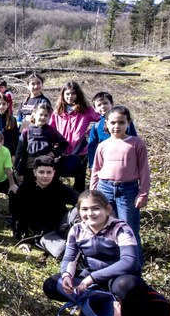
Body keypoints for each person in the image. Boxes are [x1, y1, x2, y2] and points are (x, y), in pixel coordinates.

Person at [42, 190, 147, 316]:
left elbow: (130, 262)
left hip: (118, 277)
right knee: (51, 285)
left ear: (108, 209)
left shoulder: (121, 228)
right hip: (90, 277)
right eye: (84, 209)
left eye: (96, 208)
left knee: (126, 286)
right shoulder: (77, 229)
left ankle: (118, 313)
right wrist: (67, 275)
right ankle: (103, 303)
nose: (90, 213)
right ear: (78, 211)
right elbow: (69, 257)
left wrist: (91, 278)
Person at [90, 106, 150, 262]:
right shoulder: (103, 145)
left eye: (121, 122)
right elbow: (96, 170)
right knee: (105, 224)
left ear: (128, 123)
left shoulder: (136, 144)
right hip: (105, 189)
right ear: (107, 124)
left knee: (128, 227)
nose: (117, 126)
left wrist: (143, 193)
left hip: (128, 190)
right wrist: (93, 193)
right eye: (113, 123)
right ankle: (110, 259)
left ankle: (133, 262)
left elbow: (144, 170)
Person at [11, 156, 79, 257]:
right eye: (41, 172)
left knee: (83, 206)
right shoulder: (25, 189)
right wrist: (23, 240)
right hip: (44, 233)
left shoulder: (58, 186)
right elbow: (18, 216)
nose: (45, 176)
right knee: (62, 251)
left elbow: (79, 199)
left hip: (62, 225)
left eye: (49, 172)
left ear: (54, 172)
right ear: (34, 172)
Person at [50, 81, 100, 192]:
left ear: (78, 94)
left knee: (80, 177)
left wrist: (90, 133)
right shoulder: (57, 112)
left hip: (80, 151)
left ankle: (79, 203)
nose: (70, 96)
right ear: (63, 95)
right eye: (67, 94)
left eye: (73, 93)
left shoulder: (86, 110)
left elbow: (102, 120)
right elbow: (50, 129)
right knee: (55, 175)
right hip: (61, 150)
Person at [13, 102, 68, 183]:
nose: (43, 117)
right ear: (34, 114)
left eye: (46, 115)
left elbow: (64, 144)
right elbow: (19, 152)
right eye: (41, 114)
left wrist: (54, 153)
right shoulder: (27, 131)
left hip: (46, 167)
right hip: (30, 167)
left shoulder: (51, 131)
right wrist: (19, 169)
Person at [87, 91, 138, 170]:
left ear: (112, 104)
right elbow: (92, 145)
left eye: (105, 103)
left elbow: (134, 140)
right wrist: (92, 164)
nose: (103, 106)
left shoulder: (124, 121)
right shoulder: (96, 125)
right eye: (99, 105)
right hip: (105, 162)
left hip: (124, 160)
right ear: (95, 109)